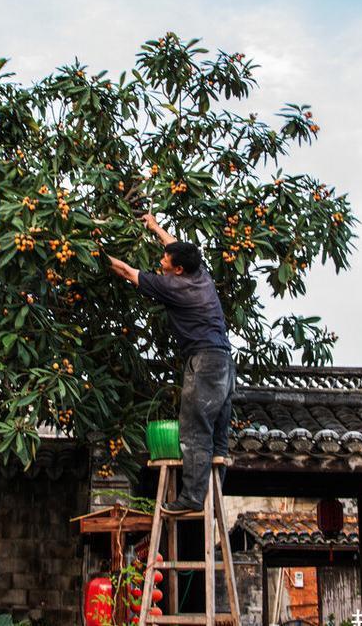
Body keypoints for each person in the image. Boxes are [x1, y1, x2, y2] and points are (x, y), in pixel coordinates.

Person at [107, 213, 235, 515]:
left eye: (166, 260)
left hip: (203, 361)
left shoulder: (173, 287)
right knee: (218, 436)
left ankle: (191, 497)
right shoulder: (199, 273)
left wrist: (93, 250)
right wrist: (154, 227)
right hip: (224, 362)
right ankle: (213, 498)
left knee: (193, 429)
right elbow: (177, 245)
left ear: (177, 269)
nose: (162, 259)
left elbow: (126, 272)